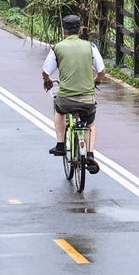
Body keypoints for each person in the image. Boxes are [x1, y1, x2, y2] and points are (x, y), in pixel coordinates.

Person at [42, 14, 106, 173]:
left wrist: (47, 80)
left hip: (66, 99)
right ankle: (90, 155)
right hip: (87, 99)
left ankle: (60, 145)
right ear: (81, 30)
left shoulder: (57, 47)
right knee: (90, 123)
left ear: (63, 31)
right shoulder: (90, 46)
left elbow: (45, 71)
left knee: (59, 110)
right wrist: (97, 80)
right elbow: (102, 70)